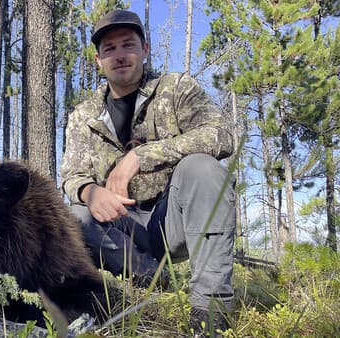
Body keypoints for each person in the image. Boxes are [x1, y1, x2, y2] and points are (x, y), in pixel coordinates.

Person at [60, 9, 236, 335]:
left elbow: (221, 135)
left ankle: (210, 311)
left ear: (145, 49)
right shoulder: (84, 115)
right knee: (73, 215)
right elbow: (71, 175)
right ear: (98, 60)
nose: (119, 55)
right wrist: (90, 192)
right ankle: (155, 279)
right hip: (118, 229)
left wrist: (141, 155)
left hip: (174, 219)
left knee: (204, 168)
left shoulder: (176, 88)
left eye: (128, 45)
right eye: (109, 49)